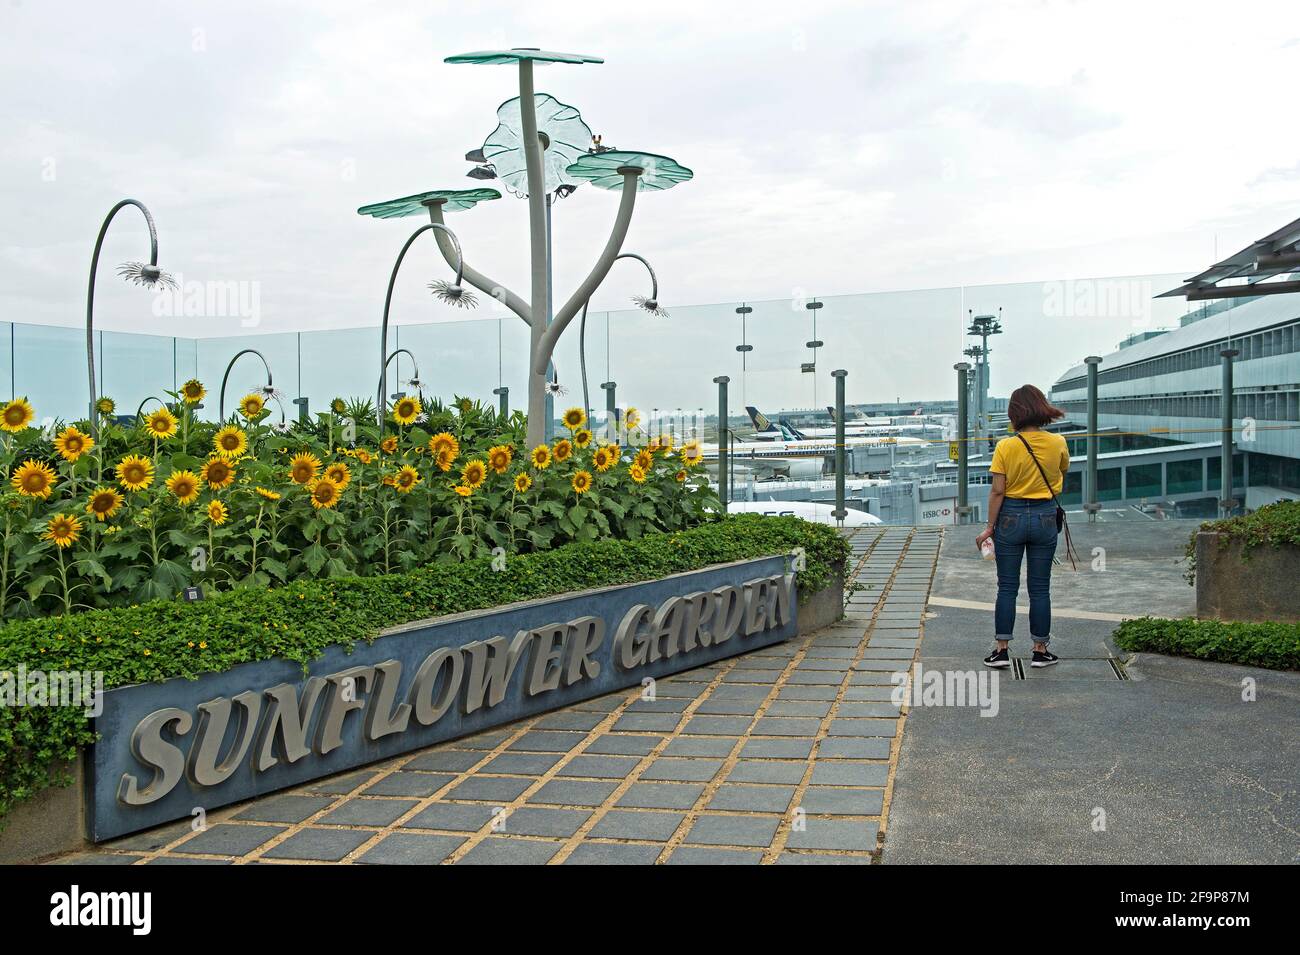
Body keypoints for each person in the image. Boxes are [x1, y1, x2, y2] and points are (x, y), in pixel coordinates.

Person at [974, 384, 1069, 669]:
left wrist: (989, 527)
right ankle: (1040, 651)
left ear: (1015, 413)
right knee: (1040, 588)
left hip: (1010, 518)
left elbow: (998, 491)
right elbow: (1062, 472)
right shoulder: (1058, 443)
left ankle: (1001, 650)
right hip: (1044, 517)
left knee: (1007, 587)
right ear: (1042, 409)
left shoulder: (1006, 446)